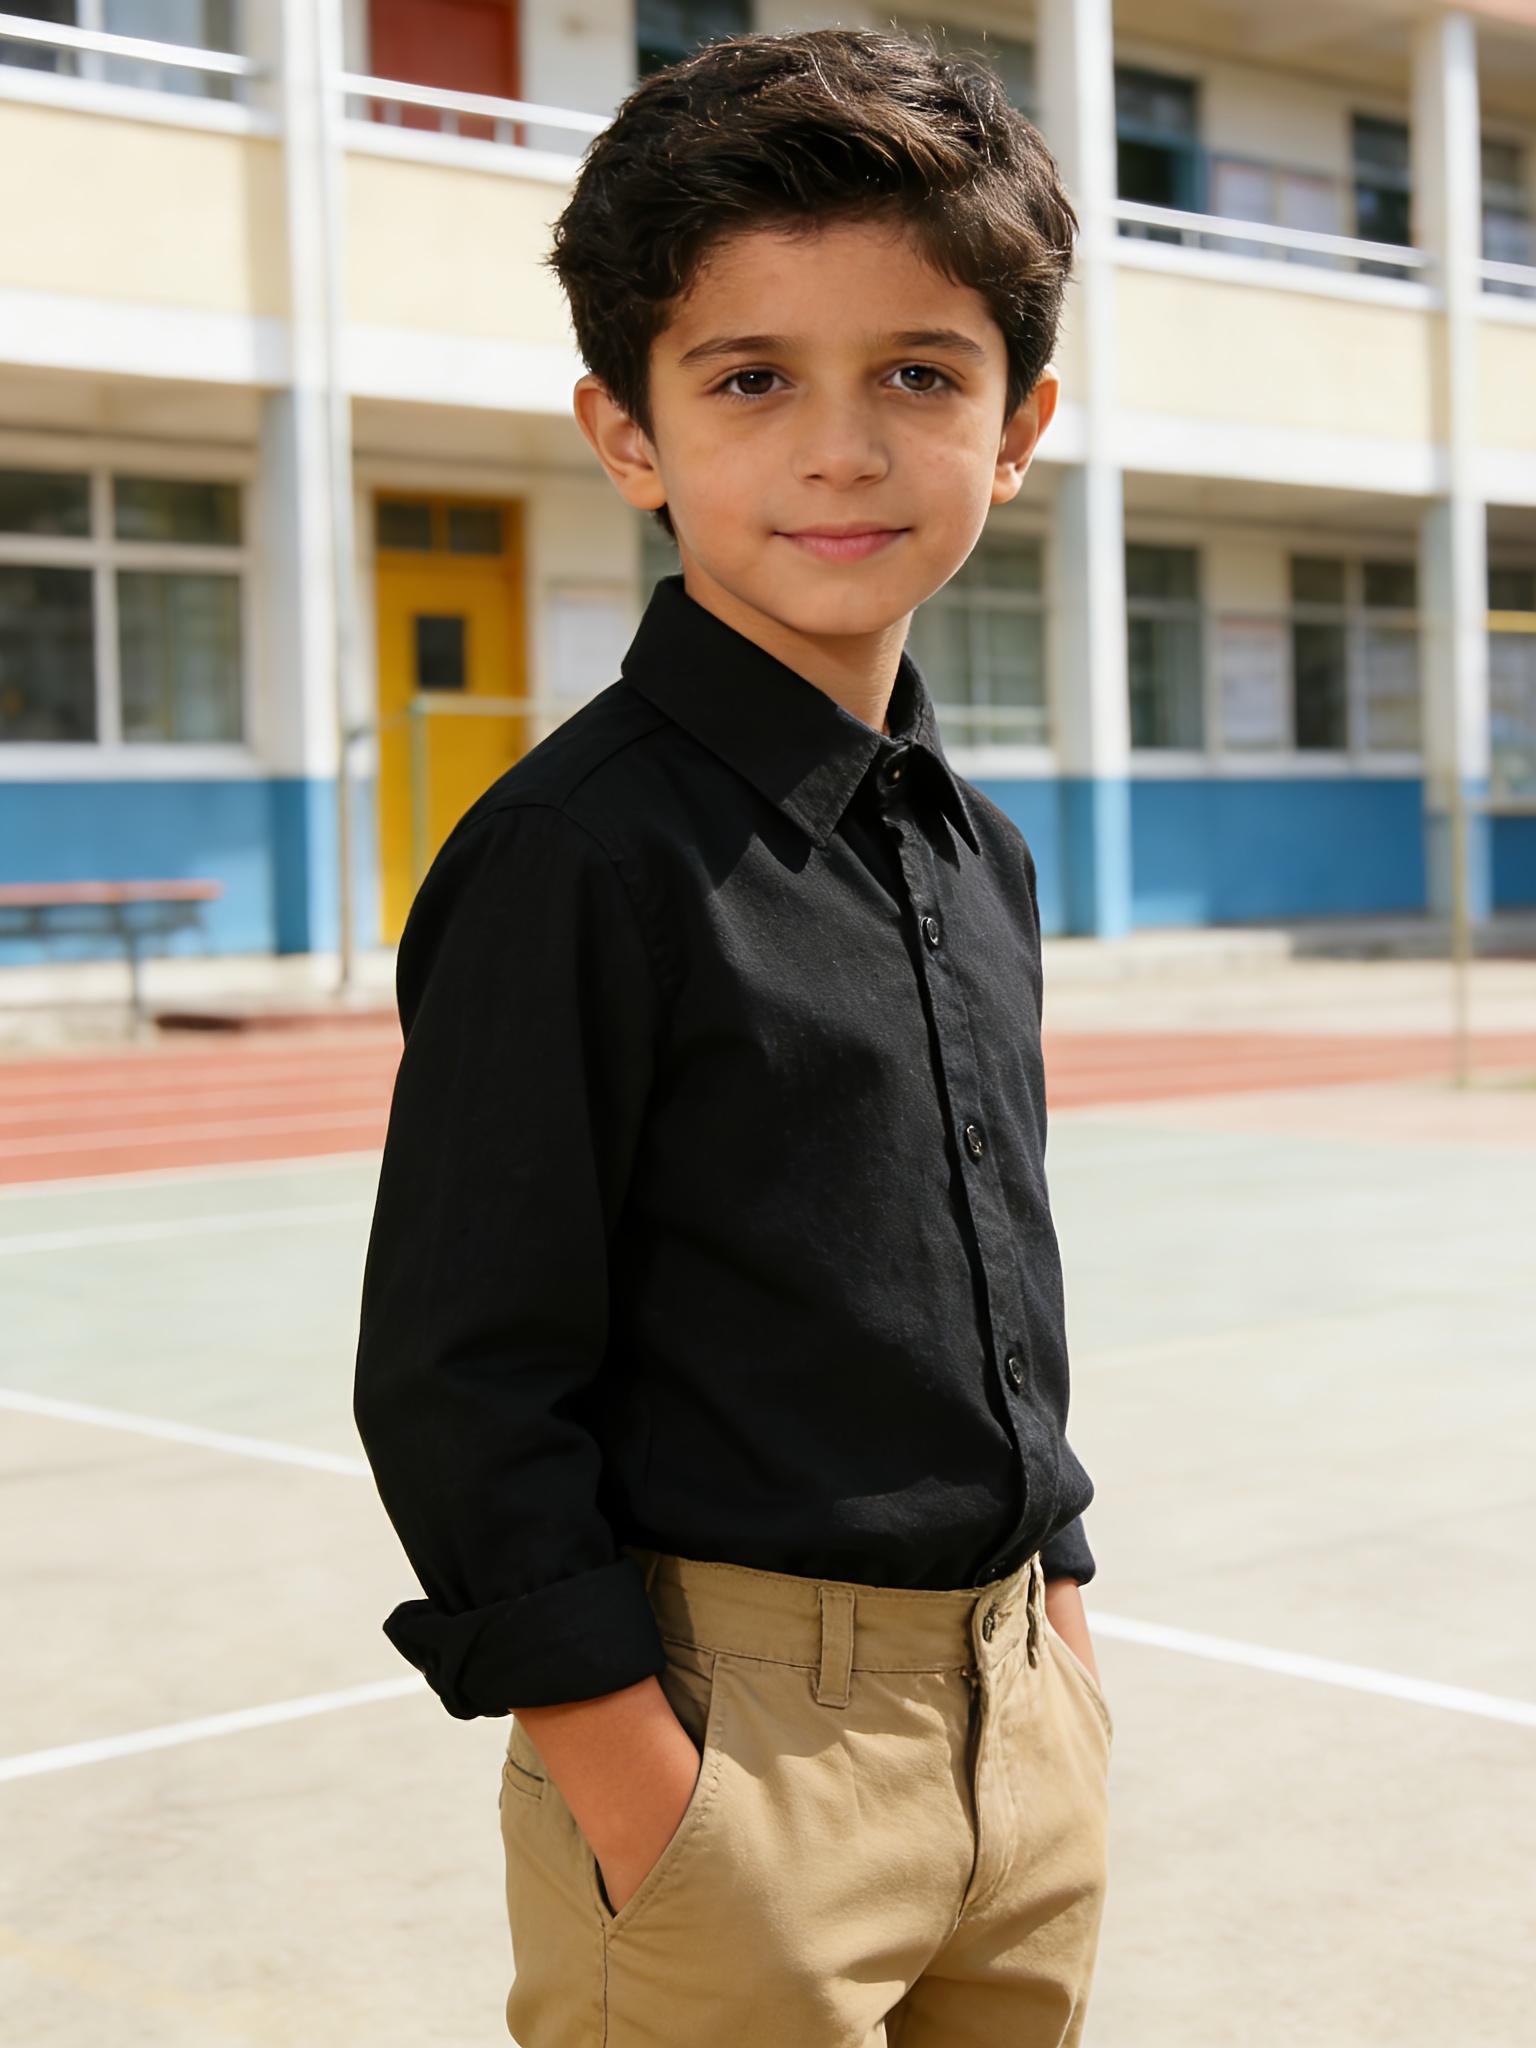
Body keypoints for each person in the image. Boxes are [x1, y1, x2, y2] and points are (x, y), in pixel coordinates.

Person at [355, 29, 1110, 2048]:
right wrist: (653, 1799)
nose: (842, 449)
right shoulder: (575, 859)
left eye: (919, 377)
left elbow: (992, 1260)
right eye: (752, 378)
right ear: (629, 430)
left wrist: (1066, 1616)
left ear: (1018, 424)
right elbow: (462, 1376)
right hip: (727, 1755)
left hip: (1017, 1729)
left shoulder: (979, 850)